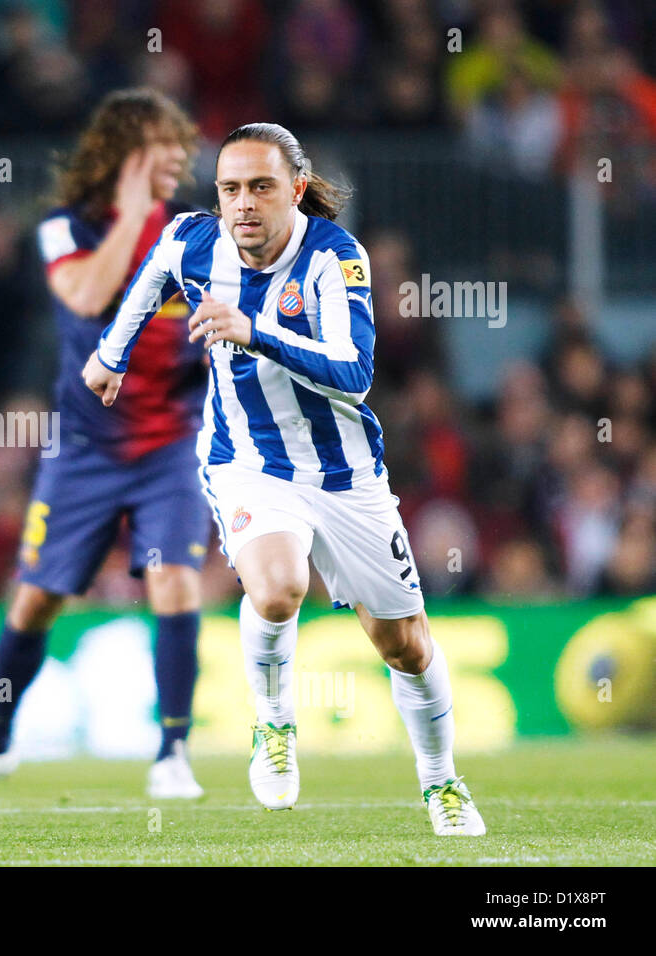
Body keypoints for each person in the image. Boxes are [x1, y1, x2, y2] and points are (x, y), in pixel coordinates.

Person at [83, 122, 486, 836]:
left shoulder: (337, 257)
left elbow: (355, 375)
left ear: (295, 189)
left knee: (405, 646)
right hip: (247, 461)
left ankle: (441, 781)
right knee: (277, 587)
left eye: (261, 187)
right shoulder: (193, 241)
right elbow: (149, 281)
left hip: (344, 473)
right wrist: (111, 356)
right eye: (230, 188)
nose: (243, 203)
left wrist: (253, 329)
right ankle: (272, 726)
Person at [0, 88, 211, 800]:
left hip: (172, 445)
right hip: (85, 450)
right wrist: (134, 217)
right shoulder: (62, 228)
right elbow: (83, 297)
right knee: (36, 602)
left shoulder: (196, 234)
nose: (182, 157)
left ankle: (172, 753)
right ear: (127, 150)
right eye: (168, 143)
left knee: (174, 579)